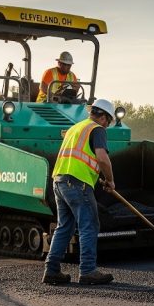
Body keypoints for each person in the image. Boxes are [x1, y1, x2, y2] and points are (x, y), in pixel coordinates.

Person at [42, 98, 117, 286]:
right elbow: (102, 158)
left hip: (59, 181)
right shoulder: (96, 129)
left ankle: (51, 271)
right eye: (109, 121)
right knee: (89, 225)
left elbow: (79, 157)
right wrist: (110, 181)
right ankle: (88, 271)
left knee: (64, 227)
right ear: (104, 117)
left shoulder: (76, 128)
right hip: (77, 184)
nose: (107, 126)